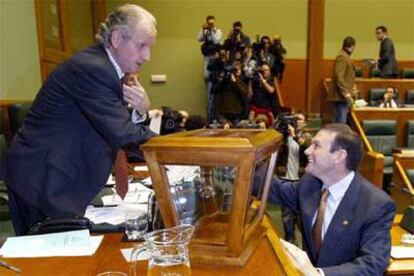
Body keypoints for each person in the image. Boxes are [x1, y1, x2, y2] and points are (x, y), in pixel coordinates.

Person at [5, 4, 157, 235]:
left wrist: (141, 111)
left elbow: (116, 126)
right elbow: (123, 134)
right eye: (142, 46)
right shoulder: (93, 69)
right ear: (117, 39)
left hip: (60, 179)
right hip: (43, 182)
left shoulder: (105, 68)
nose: (147, 56)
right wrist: (176, 147)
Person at [263, 123, 395, 275]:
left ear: (339, 156)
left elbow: (373, 264)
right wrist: (237, 161)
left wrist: (318, 274)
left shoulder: (376, 204)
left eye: (316, 146)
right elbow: (269, 187)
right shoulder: (309, 185)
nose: (307, 151)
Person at [197, 15, 222, 121]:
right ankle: (209, 117)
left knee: (214, 81)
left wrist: (212, 30)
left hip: (215, 59)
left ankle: (214, 117)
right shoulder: (205, 31)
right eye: (209, 23)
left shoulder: (218, 31)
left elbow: (216, 41)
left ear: (214, 22)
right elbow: (199, 39)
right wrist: (203, 30)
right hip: (207, 57)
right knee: (207, 76)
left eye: (212, 23)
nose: (211, 24)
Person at [328, 37, 357, 124]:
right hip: (340, 96)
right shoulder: (342, 57)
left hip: (341, 96)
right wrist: (346, 92)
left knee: (340, 122)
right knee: (340, 123)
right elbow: (339, 76)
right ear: (352, 46)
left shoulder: (344, 56)